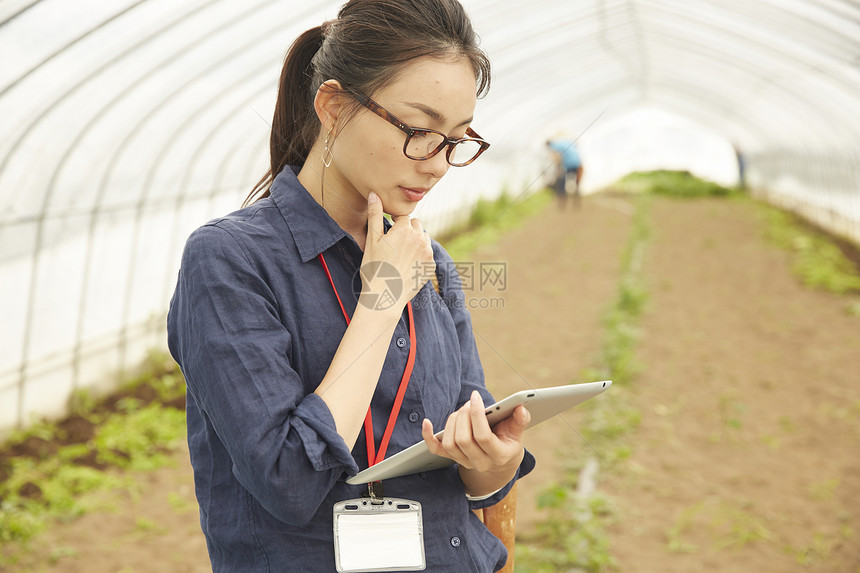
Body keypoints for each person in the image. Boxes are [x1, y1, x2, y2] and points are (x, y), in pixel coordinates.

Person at [166, 1, 535, 571]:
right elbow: (289, 481)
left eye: (457, 139)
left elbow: (473, 474)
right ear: (334, 107)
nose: (437, 164)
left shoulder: (429, 260)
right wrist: (381, 303)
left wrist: (493, 460)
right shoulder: (230, 259)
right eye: (419, 131)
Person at [547, 138, 584, 207]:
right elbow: (576, 144)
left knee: (562, 180)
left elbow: (557, 158)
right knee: (576, 181)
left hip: (568, 164)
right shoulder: (565, 141)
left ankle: (563, 199)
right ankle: (577, 197)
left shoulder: (553, 147)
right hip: (577, 162)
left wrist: (558, 168)